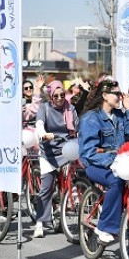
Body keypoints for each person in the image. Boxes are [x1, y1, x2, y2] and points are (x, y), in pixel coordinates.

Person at [78, 79, 129, 243]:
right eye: (117, 94)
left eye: (120, 93)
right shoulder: (91, 118)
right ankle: (104, 227)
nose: (120, 96)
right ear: (105, 95)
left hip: (120, 161)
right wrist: (112, 162)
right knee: (116, 180)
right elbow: (88, 152)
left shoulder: (120, 115)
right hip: (95, 164)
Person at [33, 80, 79, 238]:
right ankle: (40, 222)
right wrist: (43, 134)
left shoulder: (70, 108)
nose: (59, 98)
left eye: (62, 95)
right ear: (51, 96)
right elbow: (39, 123)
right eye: (56, 96)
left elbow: (78, 127)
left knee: (75, 176)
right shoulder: (45, 108)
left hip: (67, 148)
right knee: (46, 187)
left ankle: (70, 200)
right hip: (49, 151)